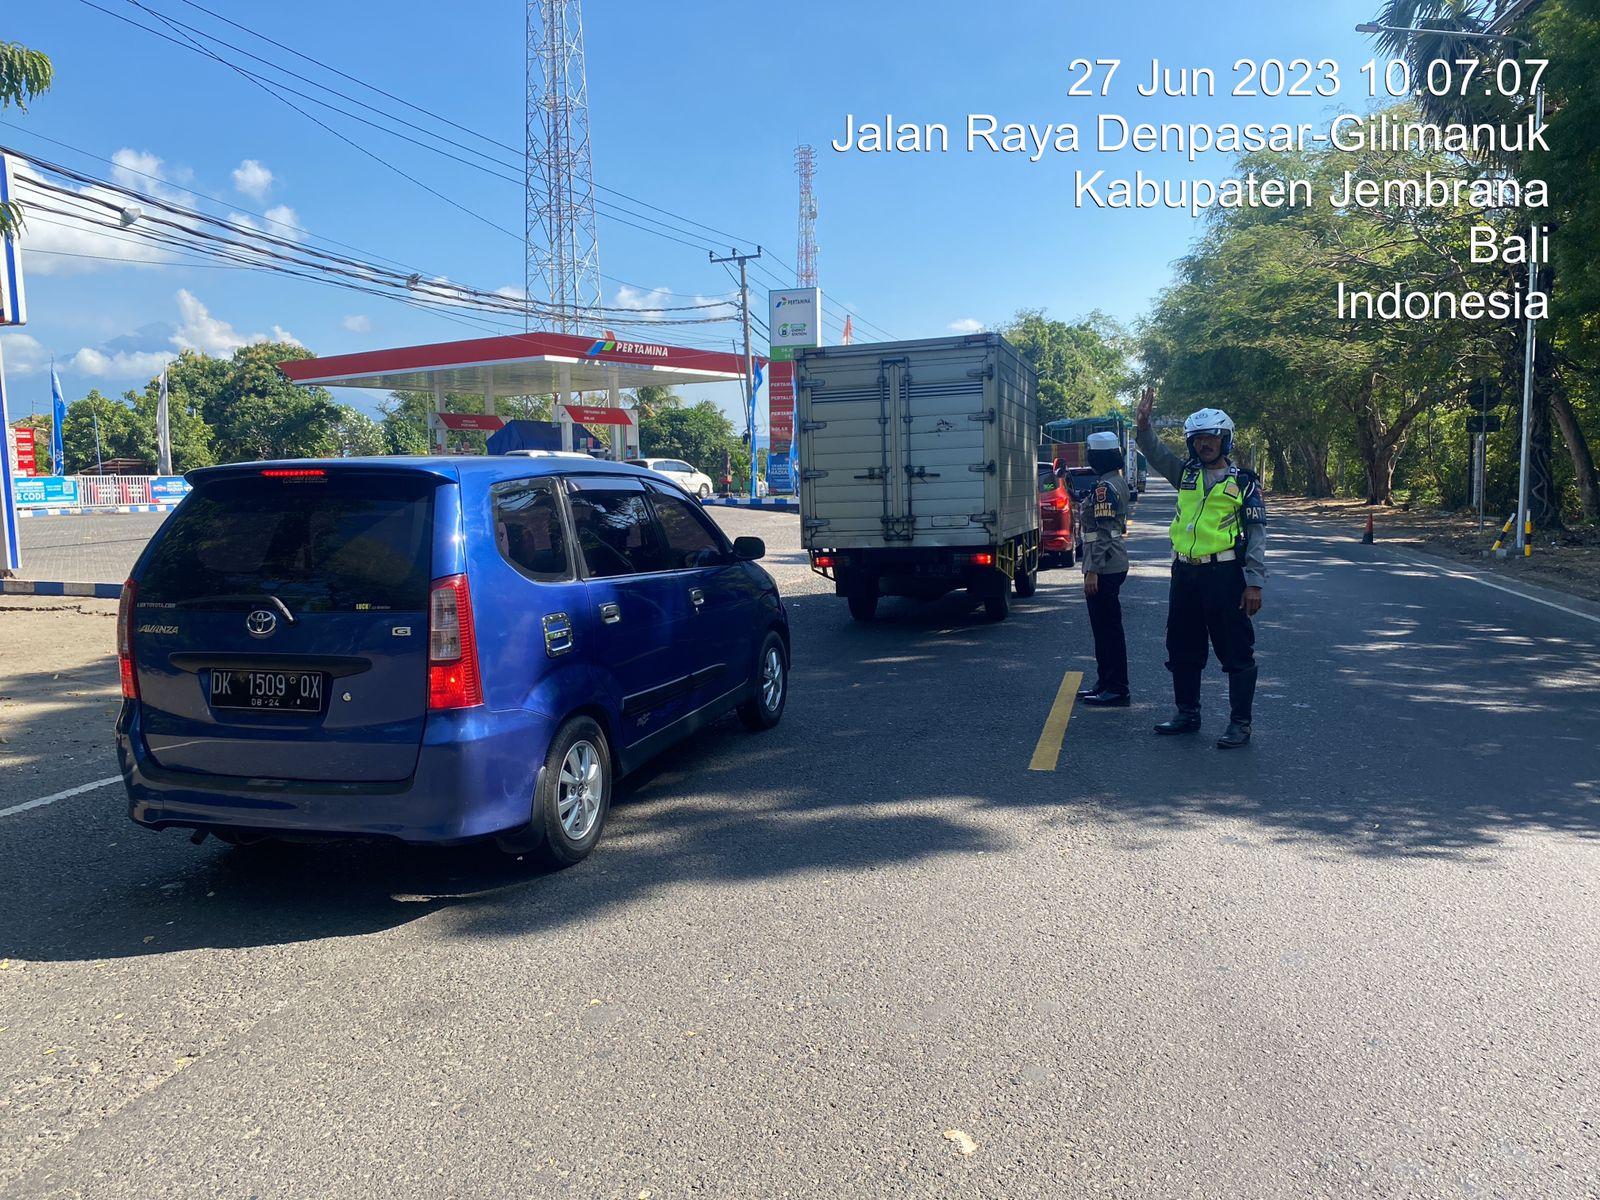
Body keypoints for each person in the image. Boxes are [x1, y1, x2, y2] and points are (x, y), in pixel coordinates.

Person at [1134, 387, 1266, 749]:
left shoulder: (1243, 483)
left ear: (1225, 440)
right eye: (1197, 439)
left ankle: (1240, 723)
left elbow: (1256, 536)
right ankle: (1187, 713)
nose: (1204, 445)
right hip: (1186, 574)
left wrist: (1253, 582)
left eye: (1211, 438)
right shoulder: (1187, 474)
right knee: (1182, 645)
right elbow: (1158, 454)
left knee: (1236, 650)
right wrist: (1143, 427)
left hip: (1225, 576)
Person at [1077, 431, 1131, 707]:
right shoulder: (1114, 482)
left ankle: (1117, 687)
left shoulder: (1105, 489)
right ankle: (1105, 681)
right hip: (1109, 563)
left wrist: (1093, 571)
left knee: (1108, 630)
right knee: (1103, 629)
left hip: (1105, 565)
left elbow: (1105, 532)